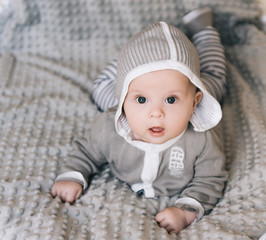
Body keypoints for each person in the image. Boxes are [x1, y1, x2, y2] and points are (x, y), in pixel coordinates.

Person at [51, 6, 228, 234]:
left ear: (194, 102)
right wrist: (73, 175)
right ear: (124, 99)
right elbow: (86, 151)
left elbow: (211, 178)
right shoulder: (109, 128)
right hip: (123, 93)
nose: (156, 113)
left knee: (214, 77)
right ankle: (131, 60)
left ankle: (203, 30)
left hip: (191, 83)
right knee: (101, 89)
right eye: (142, 99)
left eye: (171, 100)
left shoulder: (202, 138)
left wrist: (186, 211)